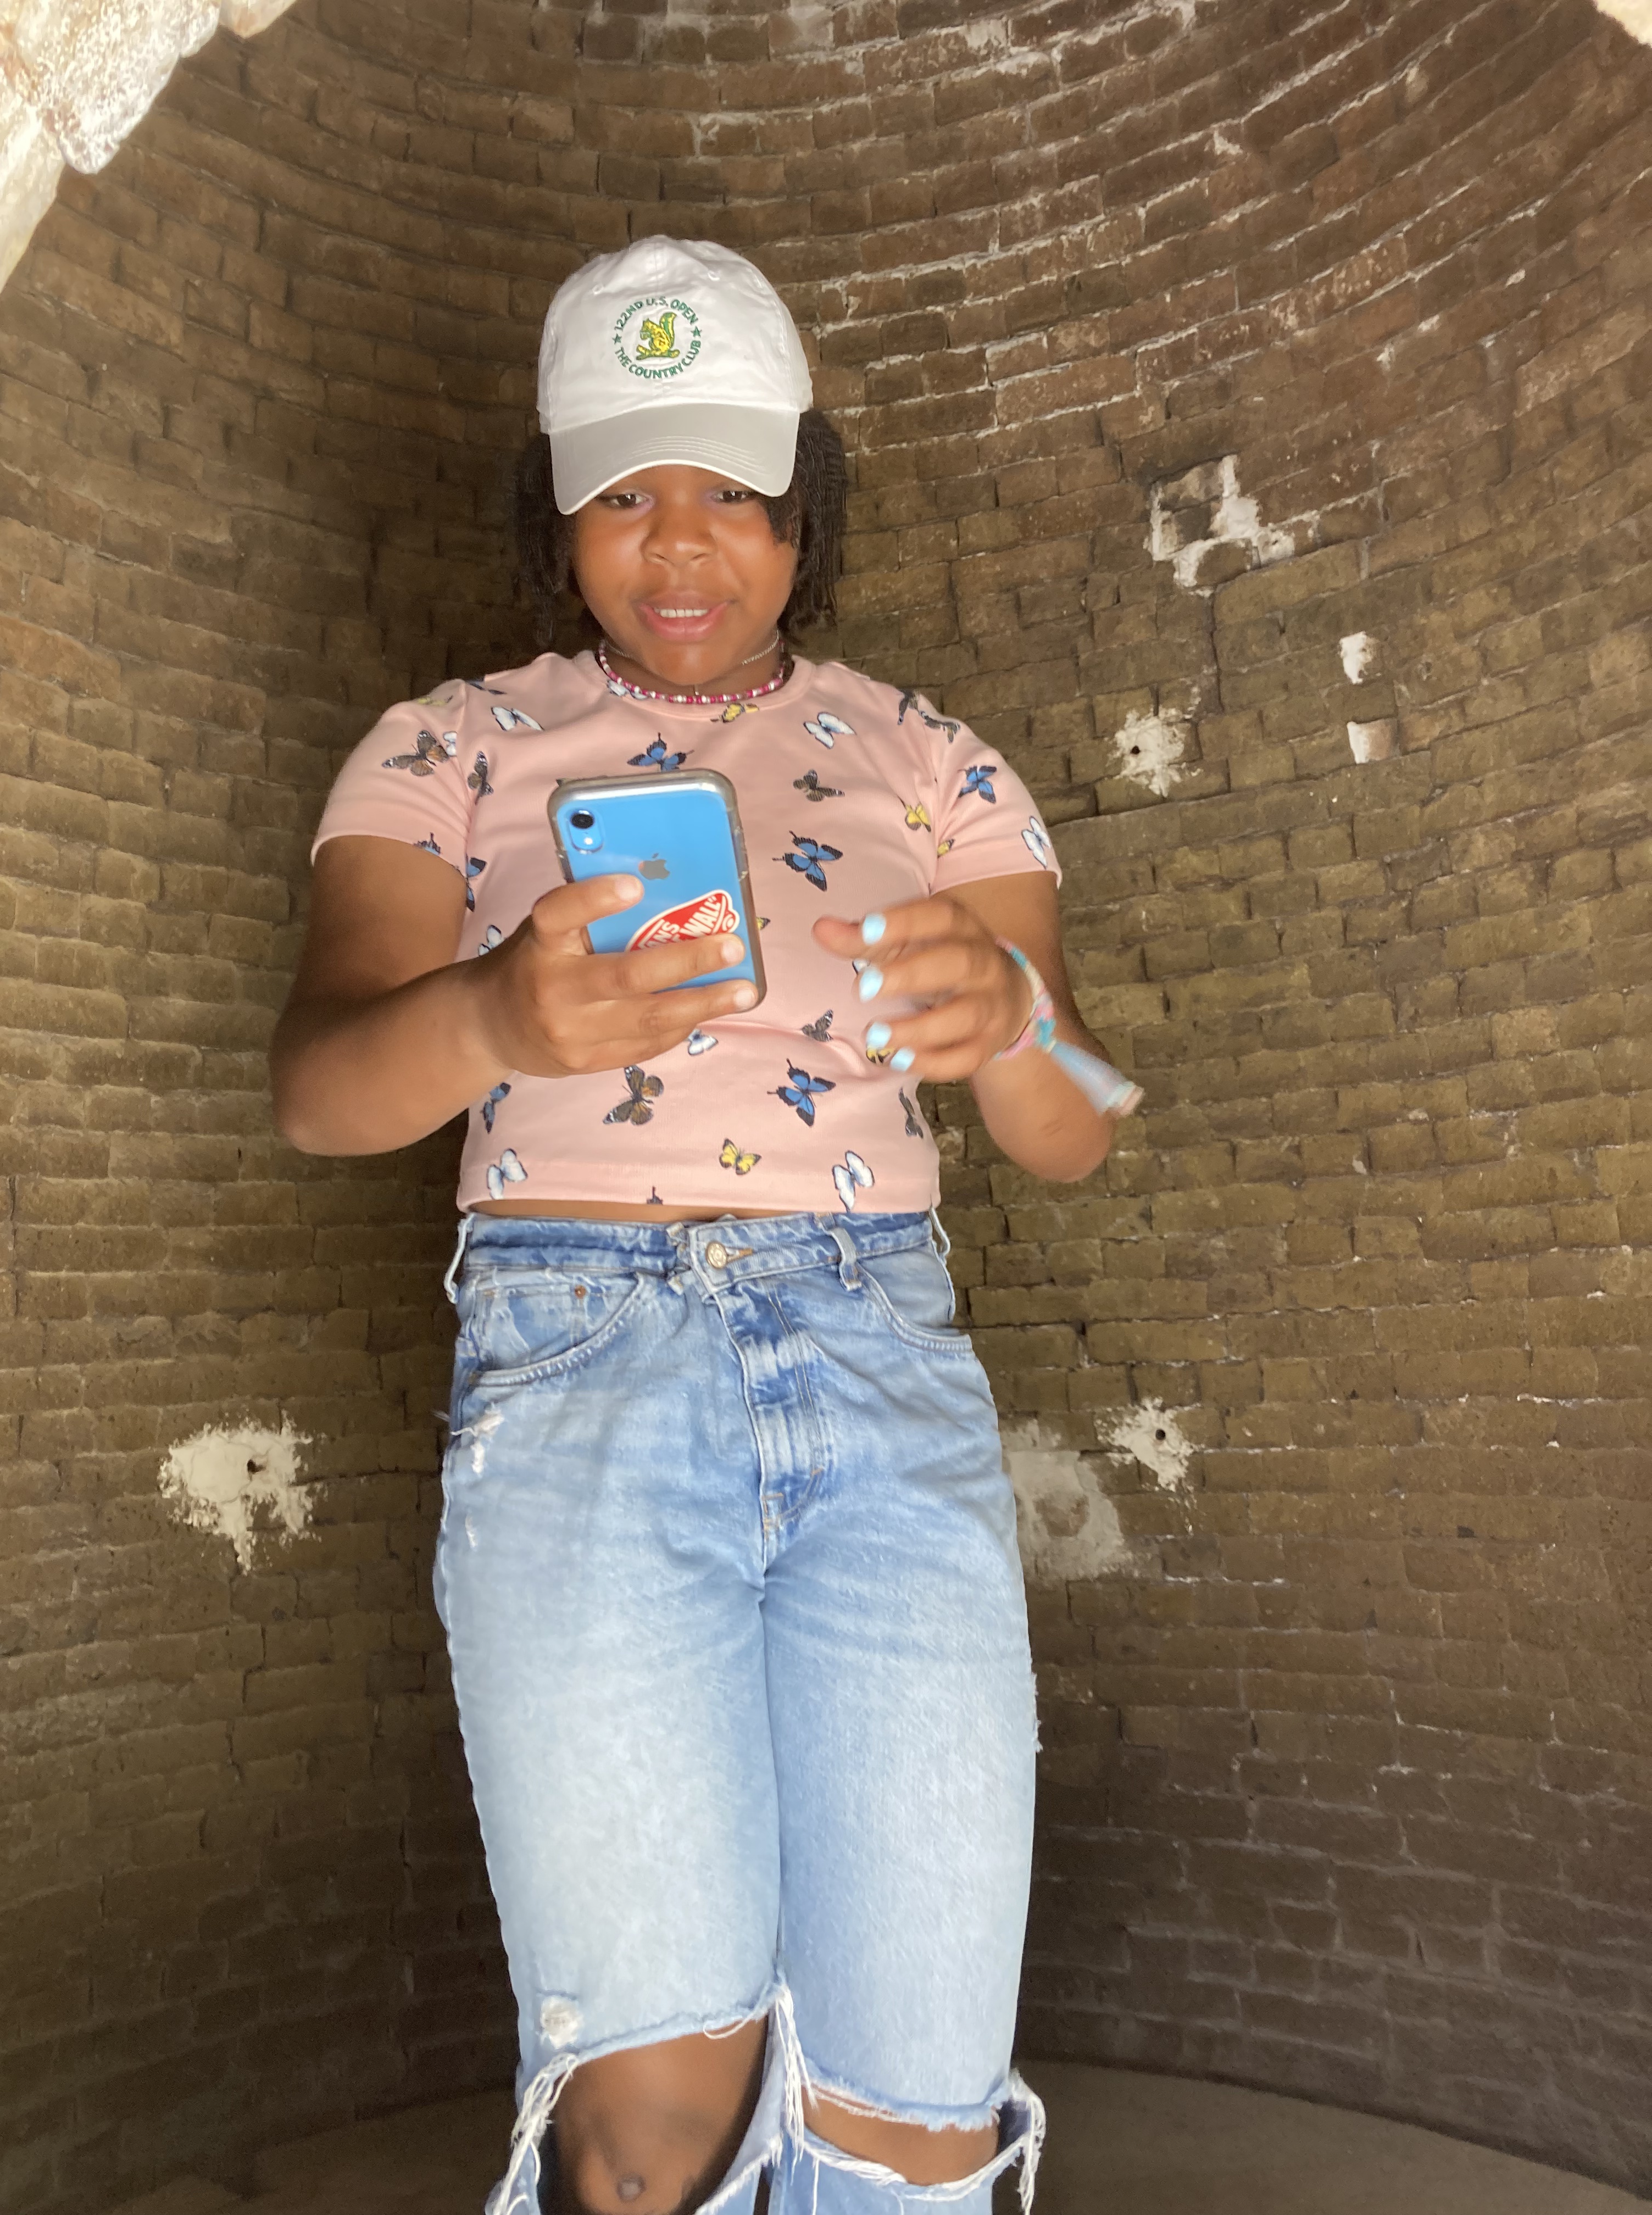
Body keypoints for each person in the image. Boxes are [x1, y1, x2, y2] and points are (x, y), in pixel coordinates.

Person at [270, 236, 1133, 2215]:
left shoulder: (932, 756)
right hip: (583, 1370)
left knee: (918, 2111)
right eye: (624, 494)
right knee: (650, 2128)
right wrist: (494, 1020)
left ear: (803, 504)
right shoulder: (448, 747)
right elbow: (320, 1087)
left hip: (879, 1365)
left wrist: (1015, 1022)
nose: (680, 547)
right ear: (555, 506)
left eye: (733, 493)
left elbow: (1082, 1123)